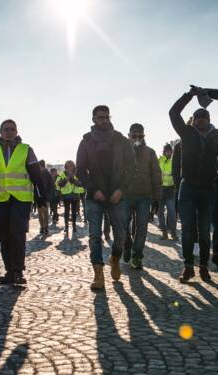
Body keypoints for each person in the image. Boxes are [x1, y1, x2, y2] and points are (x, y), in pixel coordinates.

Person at [169, 87, 218, 283]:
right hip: (188, 187)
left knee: (205, 229)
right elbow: (173, 113)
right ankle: (188, 267)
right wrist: (189, 96)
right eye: (198, 118)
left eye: (204, 118)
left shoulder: (217, 138)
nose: (200, 121)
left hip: (208, 189)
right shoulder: (186, 133)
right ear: (194, 120)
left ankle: (204, 267)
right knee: (188, 229)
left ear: (208, 120)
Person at [76, 105, 135, 290]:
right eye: (100, 117)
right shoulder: (86, 141)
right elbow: (80, 170)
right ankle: (98, 275)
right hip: (95, 196)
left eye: (106, 117)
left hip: (117, 194)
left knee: (121, 235)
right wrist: (93, 190)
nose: (104, 120)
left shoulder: (120, 139)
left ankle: (115, 259)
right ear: (93, 119)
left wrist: (121, 190)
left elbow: (131, 167)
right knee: (95, 236)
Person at [0, 119, 46, 285]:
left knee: (17, 233)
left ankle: (18, 270)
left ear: (16, 131)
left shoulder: (26, 150)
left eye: (11, 129)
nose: (8, 132)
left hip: (21, 199)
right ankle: (9, 270)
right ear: (0, 132)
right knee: (3, 235)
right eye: (5, 129)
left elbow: (36, 174)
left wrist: (41, 196)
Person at [122, 123, 161, 270]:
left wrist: (157, 198)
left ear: (144, 136)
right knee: (123, 225)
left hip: (144, 196)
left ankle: (137, 255)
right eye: (134, 136)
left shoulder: (150, 152)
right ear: (129, 135)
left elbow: (156, 175)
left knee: (142, 227)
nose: (137, 138)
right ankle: (127, 244)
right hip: (125, 195)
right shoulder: (122, 151)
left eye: (140, 136)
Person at [157, 143, 177, 241]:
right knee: (160, 213)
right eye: (167, 151)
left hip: (170, 189)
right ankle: (164, 232)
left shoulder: (174, 161)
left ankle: (173, 232)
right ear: (164, 152)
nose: (168, 153)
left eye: (170, 151)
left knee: (172, 212)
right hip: (160, 190)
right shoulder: (159, 160)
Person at [56, 161, 83, 235]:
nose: (69, 168)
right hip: (66, 195)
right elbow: (59, 184)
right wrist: (66, 179)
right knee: (66, 211)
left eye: (70, 166)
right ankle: (66, 226)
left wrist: (73, 179)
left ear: (73, 166)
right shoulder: (62, 174)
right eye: (67, 166)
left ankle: (74, 226)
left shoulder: (76, 174)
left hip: (75, 195)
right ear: (65, 167)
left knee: (74, 211)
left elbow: (80, 184)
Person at [37, 160, 53, 235]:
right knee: (45, 212)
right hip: (45, 196)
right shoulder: (48, 174)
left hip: (39, 196)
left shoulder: (38, 173)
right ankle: (45, 227)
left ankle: (43, 227)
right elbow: (52, 185)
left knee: (41, 213)